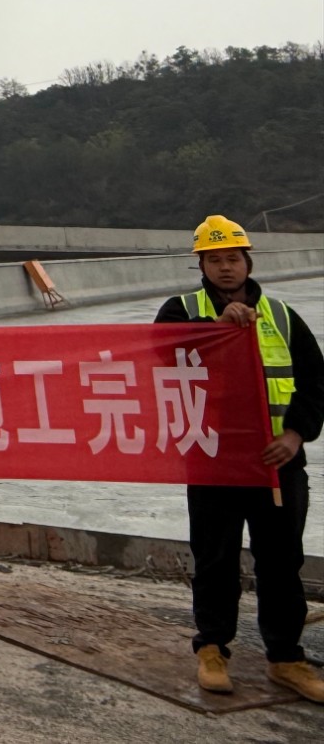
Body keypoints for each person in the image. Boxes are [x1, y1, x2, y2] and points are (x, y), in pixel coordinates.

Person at [157, 215, 324, 703]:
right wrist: (215, 329)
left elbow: (315, 384)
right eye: (214, 260)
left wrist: (295, 434)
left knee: (281, 562)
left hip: (276, 463)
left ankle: (285, 657)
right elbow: (158, 353)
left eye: (232, 258)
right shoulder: (180, 310)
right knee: (215, 558)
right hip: (213, 461)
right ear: (201, 266)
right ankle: (212, 647)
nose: (225, 268)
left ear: (248, 262)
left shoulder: (283, 316)